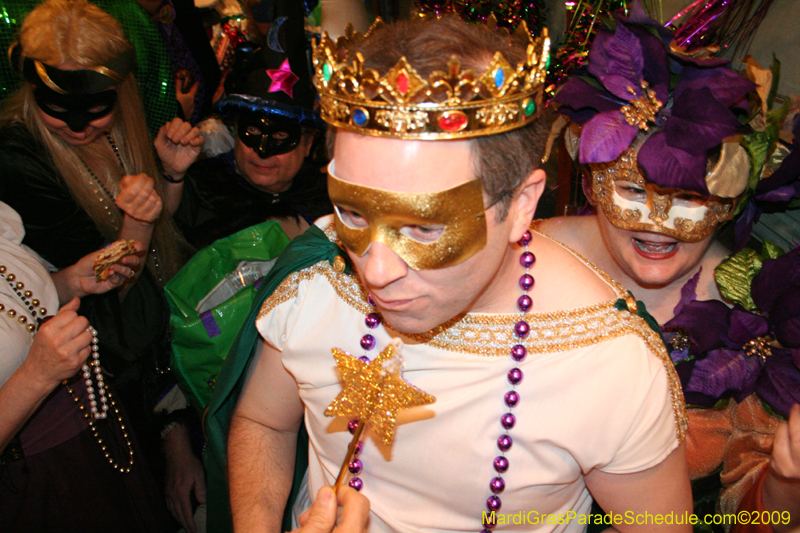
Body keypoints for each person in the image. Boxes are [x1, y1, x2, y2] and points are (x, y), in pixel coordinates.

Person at [205, 15, 693, 533]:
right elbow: (263, 421)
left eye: (424, 228)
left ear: (522, 204)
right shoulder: (317, 282)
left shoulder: (611, 367)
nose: (375, 269)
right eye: (353, 214)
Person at [539, 7, 800, 532]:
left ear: (731, 197)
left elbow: (756, 517)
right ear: (591, 177)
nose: (658, 225)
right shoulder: (524, 261)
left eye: (688, 198)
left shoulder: (756, 307)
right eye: (633, 190)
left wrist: (786, 479)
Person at [0, 0, 202, 528]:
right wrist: (135, 224)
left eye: (95, 108)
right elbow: (112, 290)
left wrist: (170, 177)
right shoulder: (17, 158)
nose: (77, 126)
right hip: (107, 369)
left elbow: (160, 235)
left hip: (158, 333)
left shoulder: (126, 122)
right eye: (56, 107)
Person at [0, 201, 175, 532]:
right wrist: (36, 377)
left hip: (96, 430)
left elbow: (15, 304)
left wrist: (71, 282)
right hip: (38, 479)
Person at [174, 0, 331, 248]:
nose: (262, 151)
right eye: (253, 131)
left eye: (280, 135)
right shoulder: (201, 194)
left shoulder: (328, 202)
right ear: (236, 132)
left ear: (308, 143)